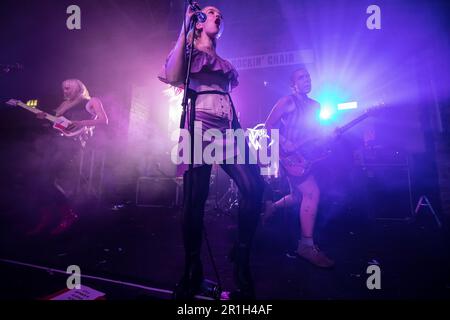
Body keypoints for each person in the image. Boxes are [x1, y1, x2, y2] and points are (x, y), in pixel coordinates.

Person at [158, 4, 264, 299]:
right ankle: (192, 269)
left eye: (221, 14)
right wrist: (185, 28)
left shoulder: (224, 61)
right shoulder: (188, 51)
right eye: (211, 12)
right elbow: (172, 75)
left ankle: (240, 255)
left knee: (255, 187)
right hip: (199, 124)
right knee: (195, 201)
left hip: (230, 125)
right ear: (200, 20)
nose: (218, 16)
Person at [264, 66, 335, 268]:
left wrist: (329, 134)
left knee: (298, 196)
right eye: (302, 77)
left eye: (309, 76)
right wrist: (284, 142)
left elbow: (315, 133)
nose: (307, 79)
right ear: (293, 84)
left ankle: (272, 207)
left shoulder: (316, 105)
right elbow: (268, 127)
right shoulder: (287, 102)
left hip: (308, 156)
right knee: (311, 193)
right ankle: (306, 246)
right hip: (289, 157)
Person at [29, 79, 108, 235]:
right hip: (55, 142)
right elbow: (55, 124)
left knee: (46, 179)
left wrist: (81, 123)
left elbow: (103, 120)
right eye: (64, 89)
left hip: (72, 144)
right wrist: (42, 118)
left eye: (68, 88)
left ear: (79, 88)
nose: (65, 92)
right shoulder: (63, 105)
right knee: (41, 180)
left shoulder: (92, 101)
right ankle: (47, 217)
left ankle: (68, 215)